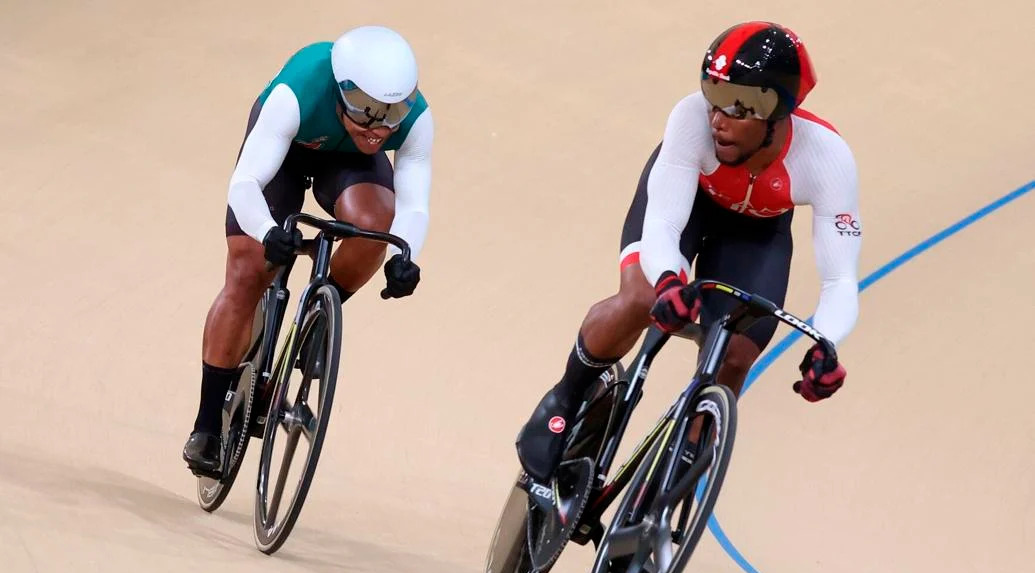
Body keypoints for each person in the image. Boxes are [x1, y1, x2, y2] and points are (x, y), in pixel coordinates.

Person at [516, 21, 862, 484]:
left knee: (737, 353)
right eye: (713, 93)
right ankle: (566, 398)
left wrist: (825, 343)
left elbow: (840, 280)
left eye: (739, 105)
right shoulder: (690, 120)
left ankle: (675, 478)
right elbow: (663, 223)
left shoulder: (827, 159)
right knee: (641, 299)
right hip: (687, 203)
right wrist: (669, 282)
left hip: (756, 232)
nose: (717, 117)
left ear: (778, 112)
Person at [182, 25, 434, 479]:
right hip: (287, 150)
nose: (378, 127)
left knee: (376, 225)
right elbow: (245, 184)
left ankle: (322, 305)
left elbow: (413, 205)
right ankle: (206, 427)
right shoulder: (295, 94)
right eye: (364, 110)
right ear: (340, 92)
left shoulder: (413, 121)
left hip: (345, 160)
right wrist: (264, 230)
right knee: (247, 272)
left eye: (392, 112)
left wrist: (405, 255)